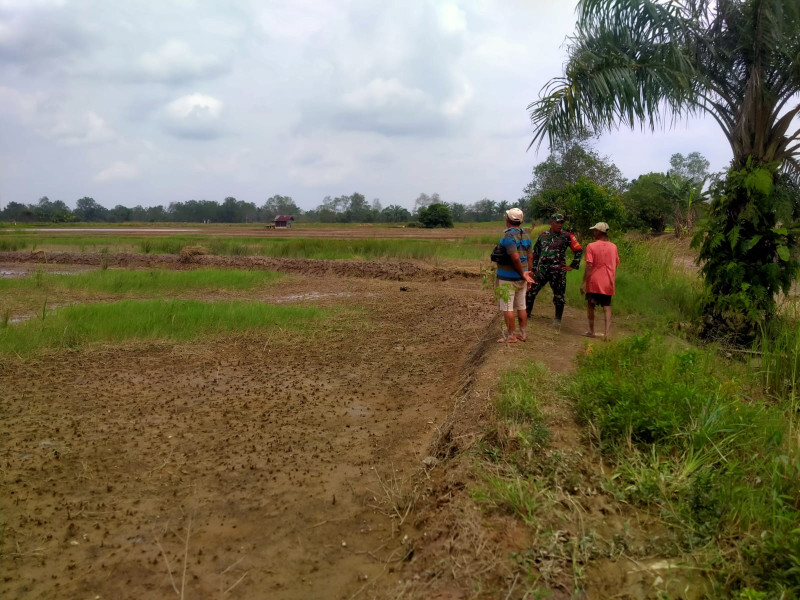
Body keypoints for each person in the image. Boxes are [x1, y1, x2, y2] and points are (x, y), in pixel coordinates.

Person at [526, 213, 582, 327]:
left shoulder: (567, 236)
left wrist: (572, 265)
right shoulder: (543, 235)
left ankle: (557, 320)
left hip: (558, 272)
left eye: (561, 222)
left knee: (559, 296)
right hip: (541, 270)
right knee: (531, 291)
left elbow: (579, 250)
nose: (560, 224)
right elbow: (536, 253)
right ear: (551, 222)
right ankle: (527, 313)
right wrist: (533, 269)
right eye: (557, 222)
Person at [495, 207, 534, 343]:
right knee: (522, 306)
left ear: (508, 220)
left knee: (507, 307)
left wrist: (523, 274)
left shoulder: (508, 236)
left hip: (508, 278)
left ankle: (511, 336)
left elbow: (515, 258)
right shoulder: (526, 235)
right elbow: (530, 257)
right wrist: (527, 275)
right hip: (522, 277)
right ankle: (522, 334)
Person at [580, 222, 620, 339]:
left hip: (594, 281)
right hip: (608, 282)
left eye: (595, 230)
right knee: (607, 307)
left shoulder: (591, 246)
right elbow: (615, 264)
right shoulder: (613, 247)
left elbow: (589, 266)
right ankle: (607, 334)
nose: (593, 232)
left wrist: (583, 283)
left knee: (591, 305)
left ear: (599, 232)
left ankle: (591, 331)